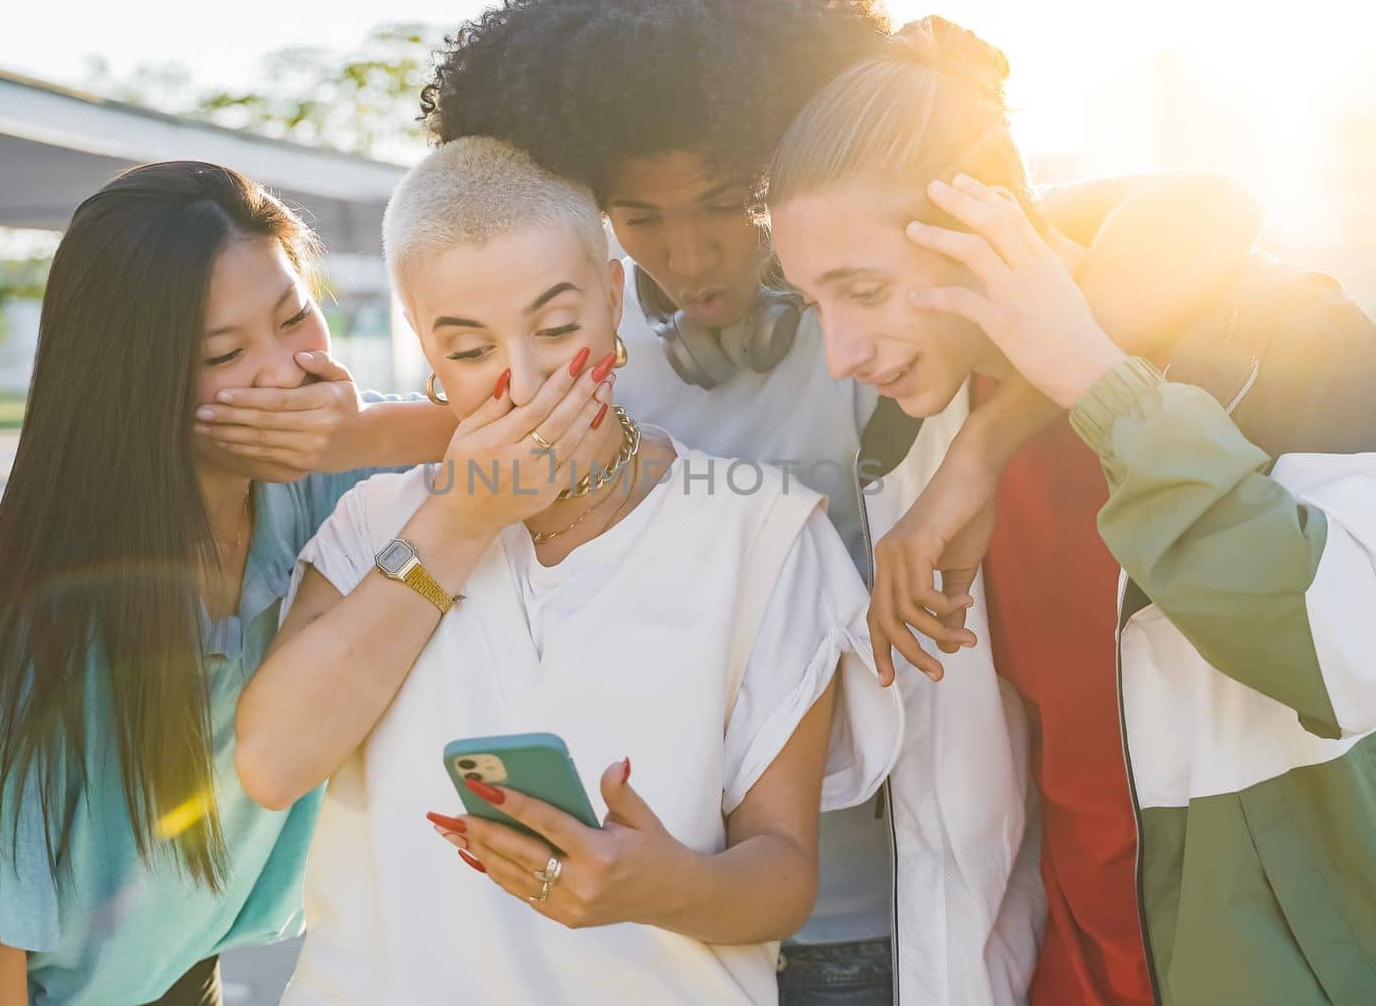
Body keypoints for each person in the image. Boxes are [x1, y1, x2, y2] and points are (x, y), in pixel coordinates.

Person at [414, 0, 1263, 1001]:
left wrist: (972, 459)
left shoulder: (882, 307)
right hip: (655, 919)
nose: (689, 254)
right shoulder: (581, 347)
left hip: (887, 911)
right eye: (641, 218)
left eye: (726, 203)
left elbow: (1195, 217)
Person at [767, 16, 1376, 1004]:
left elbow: (1350, 656)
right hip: (1063, 977)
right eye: (814, 302)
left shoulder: (1286, 339)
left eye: (863, 290)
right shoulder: (913, 446)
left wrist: (1102, 388)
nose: (840, 350)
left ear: (987, 204)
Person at [234, 136, 904, 1005]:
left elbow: (782, 875)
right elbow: (273, 764)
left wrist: (662, 887)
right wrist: (463, 518)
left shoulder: (763, 532)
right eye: (469, 349)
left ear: (615, 302)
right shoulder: (376, 524)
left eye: (556, 328)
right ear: (423, 346)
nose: (524, 380)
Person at [0, 162, 453, 1006]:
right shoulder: (57, 608)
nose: (286, 372)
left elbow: (521, 446)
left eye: (295, 318)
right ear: (138, 382)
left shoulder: (324, 477)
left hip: (178, 981)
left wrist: (362, 436)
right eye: (224, 353)